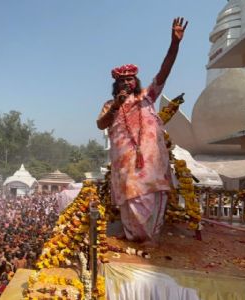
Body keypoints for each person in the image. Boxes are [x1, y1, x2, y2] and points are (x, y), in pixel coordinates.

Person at [97, 17, 188, 243]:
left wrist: (174, 44)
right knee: (129, 198)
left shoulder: (147, 96)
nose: (126, 83)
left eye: (130, 80)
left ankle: (149, 237)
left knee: (149, 196)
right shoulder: (111, 105)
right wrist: (116, 106)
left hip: (150, 163)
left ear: (136, 81)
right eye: (122, 81)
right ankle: (133, 237)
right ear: (116, 86)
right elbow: (100, 124)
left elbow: (164, 71)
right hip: (124, 165)